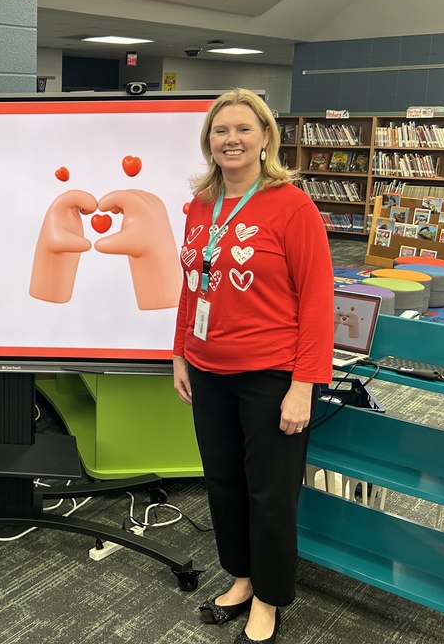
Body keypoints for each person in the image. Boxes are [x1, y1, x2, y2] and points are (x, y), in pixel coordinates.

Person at [172, 89, 333, 644]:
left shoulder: (292, 204)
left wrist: (304, 384)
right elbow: (192, 287)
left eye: (244, 129)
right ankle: (241, 577)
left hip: (271, 374)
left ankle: (269, 598)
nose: (231, 139)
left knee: (270, 492)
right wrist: (180, 355)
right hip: (208, 368)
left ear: (266, 137)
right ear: (209, 141)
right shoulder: (199, 205)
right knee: (222, 482)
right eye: (221, 131)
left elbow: (316, 300)